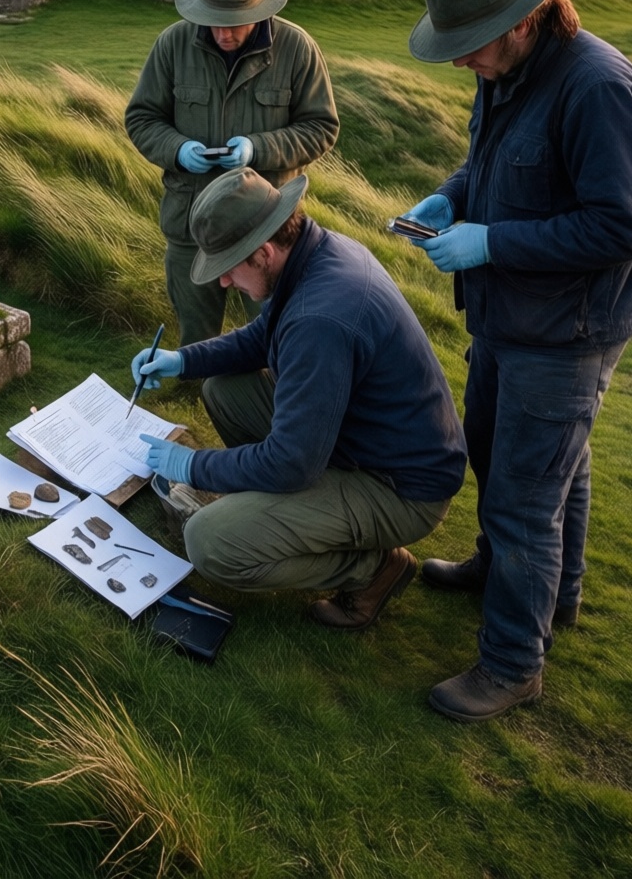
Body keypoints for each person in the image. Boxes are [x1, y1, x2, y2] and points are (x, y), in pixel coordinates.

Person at [402, 0, 632, 722]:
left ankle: (514, 663)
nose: (458, 64)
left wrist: (493, 242)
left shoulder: (597, 89)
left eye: (468, 46)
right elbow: (494, 164)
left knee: (524, 495)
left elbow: (627, 226)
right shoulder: (512, 69)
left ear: (519, 22)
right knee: (542, 470)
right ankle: (551, 595)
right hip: (511, 317)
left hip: (568, 332)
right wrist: (452, 197)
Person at [132, 167, 466, 631]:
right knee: (222, 387)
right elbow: (263, 336)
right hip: (361, 443)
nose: (224, 283)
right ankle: (290, 516)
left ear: (263, 251)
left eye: (228, 268)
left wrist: (191, 465)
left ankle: (373, 570)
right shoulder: (318, 252)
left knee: (209, 541)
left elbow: (290, 463)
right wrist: (183, 360)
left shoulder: (320, 318)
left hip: (400, 490)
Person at [125, 0, 339, 345]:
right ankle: (194, 398)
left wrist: (257, 149)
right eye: (214, 21)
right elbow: (141, 118)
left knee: (272, 339)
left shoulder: (297, 49)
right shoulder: (172, 45)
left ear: (259, 11)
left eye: (234, 22)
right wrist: (177, 150)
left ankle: (265, 406)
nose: (223, 33)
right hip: (191, 228)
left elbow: (321, 127)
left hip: (267, 232)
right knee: (196, 340)